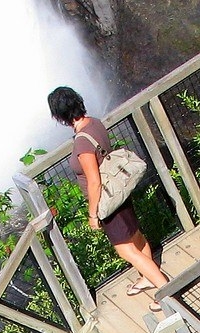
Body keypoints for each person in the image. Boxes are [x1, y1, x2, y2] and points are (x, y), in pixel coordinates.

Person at [47, 86, 168, 312]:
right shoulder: (94, 123)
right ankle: (147, 277)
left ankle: (165, 289)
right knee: (136, 237)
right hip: (119, 190)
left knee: (125, 249)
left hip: (107, 201)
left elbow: (94, 181)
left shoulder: (82, 142)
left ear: (60, 115)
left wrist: (93, 214)